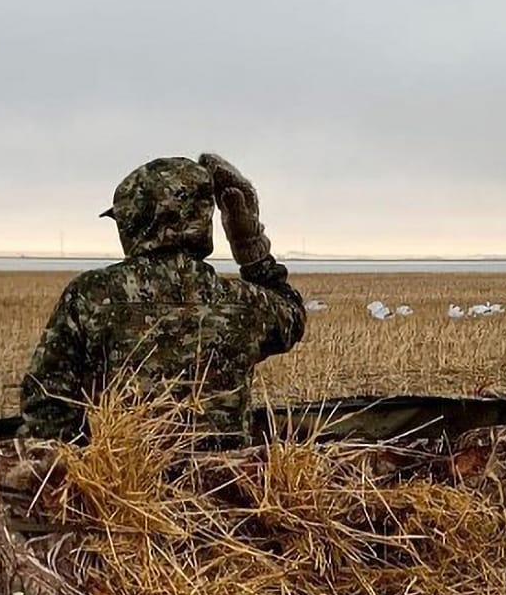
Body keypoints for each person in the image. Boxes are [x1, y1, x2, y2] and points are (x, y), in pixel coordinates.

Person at [19, 153, 306, 443]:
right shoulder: (245, 302)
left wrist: (83, 473)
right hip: (226, 484)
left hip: (125, 482)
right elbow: (292, 317)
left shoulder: (92, 294)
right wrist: (249, 244)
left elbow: (46, 401)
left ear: (136, 220)